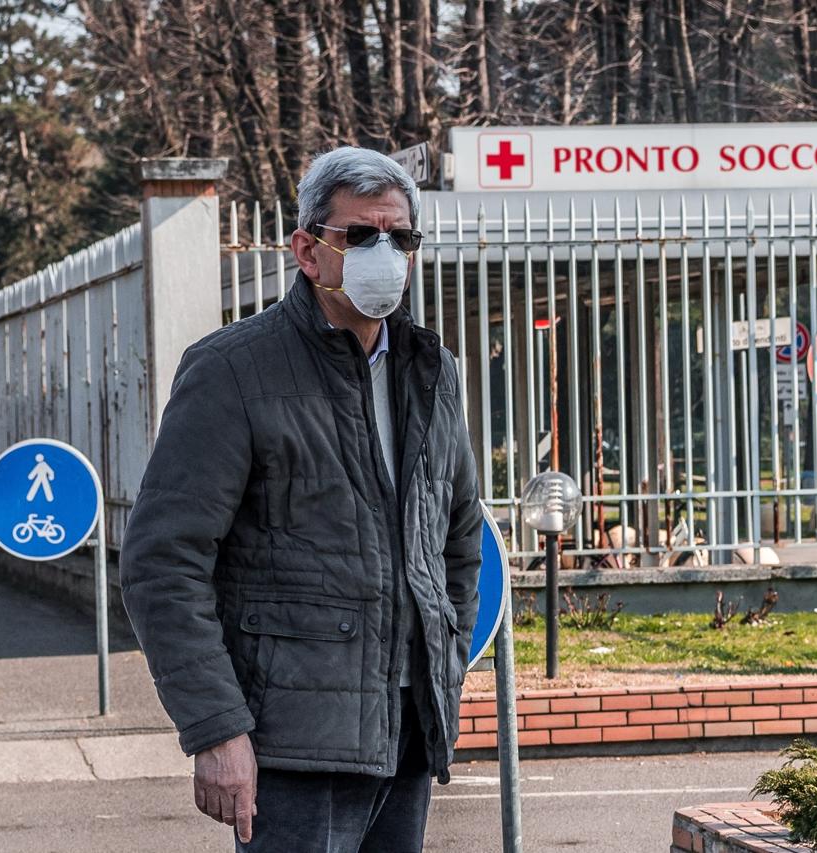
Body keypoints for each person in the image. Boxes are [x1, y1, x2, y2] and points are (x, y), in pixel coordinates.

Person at [120, 147, 482, 852]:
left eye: (400, 236)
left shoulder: (433, 373)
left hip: (407, 734)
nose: (385, 253)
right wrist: (217, 728)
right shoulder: (233, 370)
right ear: (308, 251)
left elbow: (458, 543)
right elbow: (163, 564)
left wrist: (443, 663)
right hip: (290, 748)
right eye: (361, 234)